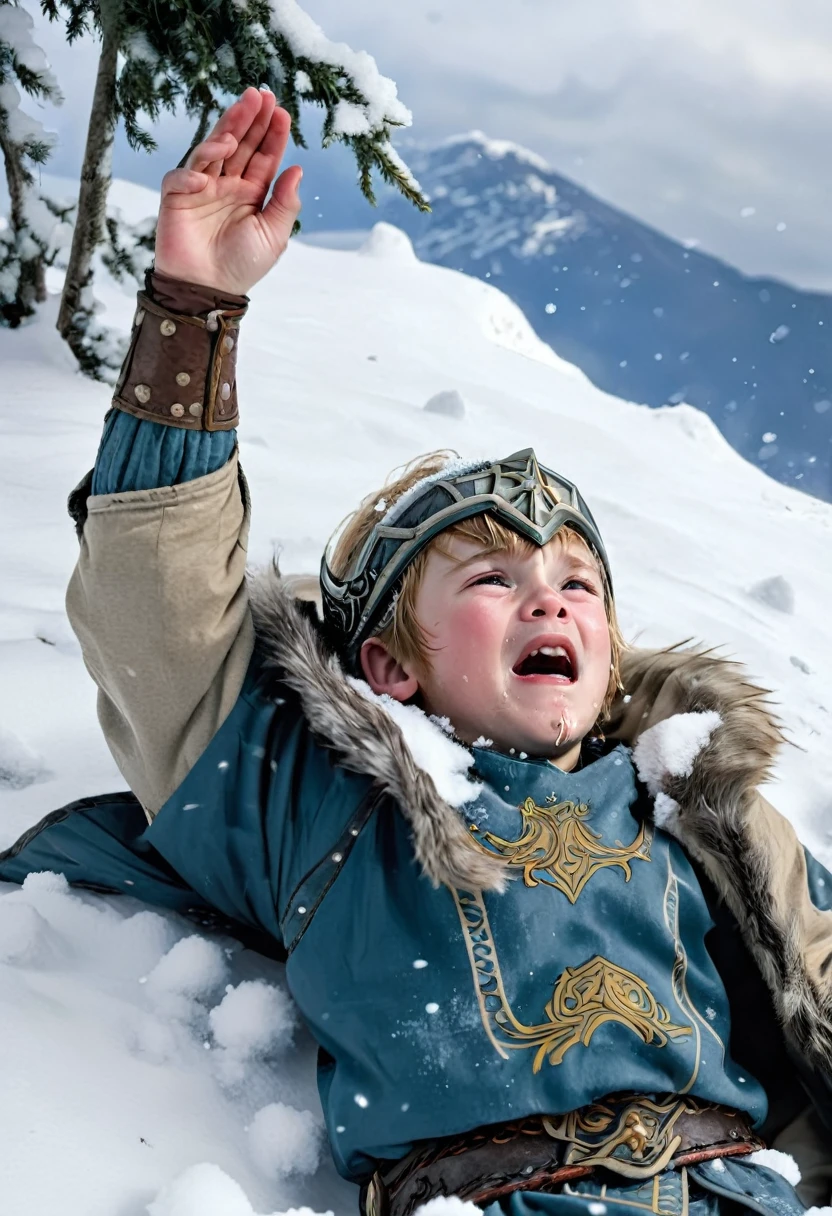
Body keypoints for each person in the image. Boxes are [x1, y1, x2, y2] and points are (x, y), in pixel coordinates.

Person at [2, 86, 832, 1215]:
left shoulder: (705, 817)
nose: (552, 602)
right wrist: (193, 307)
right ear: (392, 669)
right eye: (495, 580)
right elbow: (158, 617)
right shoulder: (328, 806)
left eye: (577, 583)